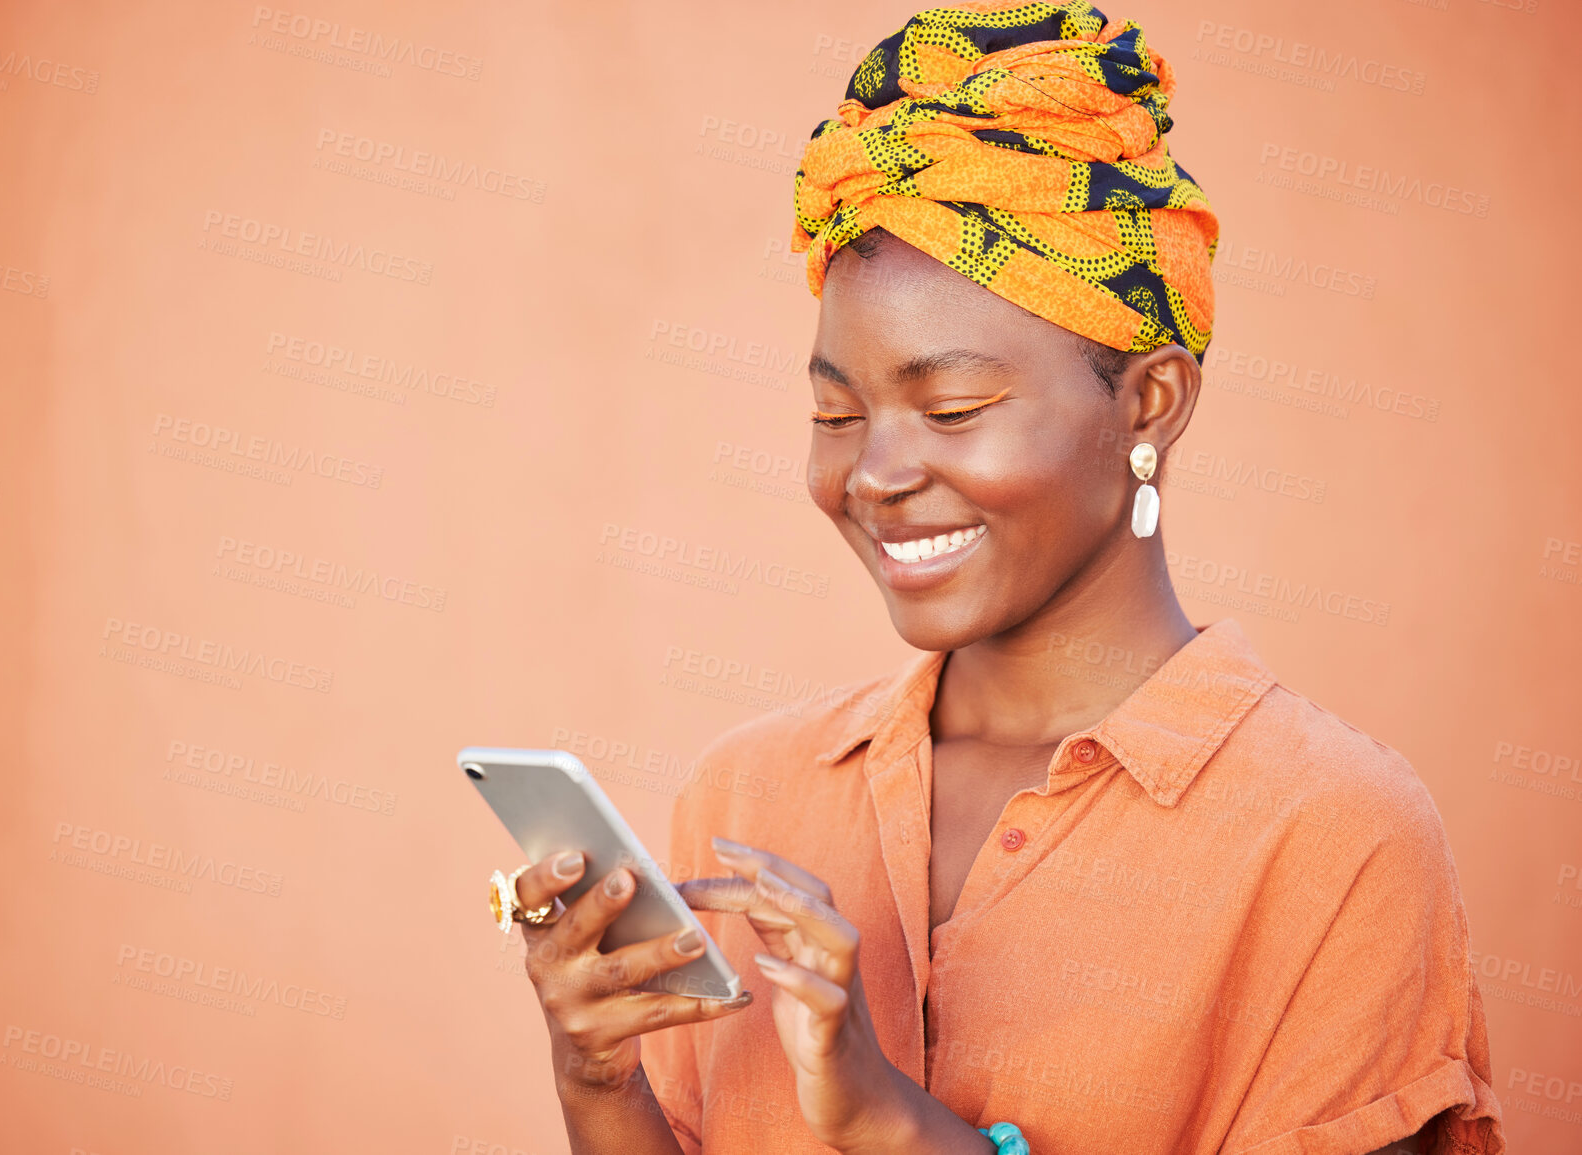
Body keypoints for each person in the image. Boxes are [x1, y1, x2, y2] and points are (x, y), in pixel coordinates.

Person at [487, 4, 1505, 1152]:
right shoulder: (749, 797)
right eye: (835, 412)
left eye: (953, 409)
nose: (872, 473)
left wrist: (890, 1122)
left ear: (1150, 402)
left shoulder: (1330, 841)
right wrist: (599, 1080)